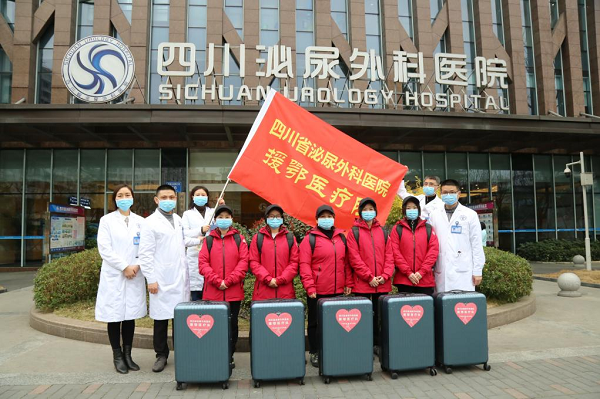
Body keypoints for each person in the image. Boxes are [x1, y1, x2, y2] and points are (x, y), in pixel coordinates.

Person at [138, 184, 192, 373]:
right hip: (160, 278)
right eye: (165, 197)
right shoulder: (149, 222)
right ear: (156, 200)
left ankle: (183, 353)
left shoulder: (177, 219)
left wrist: (201, 236)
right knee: (161, 320)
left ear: (176, 199)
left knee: (179, 318)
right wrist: (150, 279)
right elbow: (144, 254)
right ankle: (161, 355)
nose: (169, 200)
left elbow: (182, 241)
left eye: (172, 197)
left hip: (179, 276)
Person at [95, 184, 147, 374]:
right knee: (114, 316)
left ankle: (128, 355)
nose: (124, 197)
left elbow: (146, 247)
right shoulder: (106, 220)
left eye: (127, 194)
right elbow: (104, 249)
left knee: (130, 316)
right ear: (114, 199)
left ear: (133, 198)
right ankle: (117, 357)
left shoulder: (141, 221)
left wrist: (136, 264)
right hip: (115, 274)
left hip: (135, 272)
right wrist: (124, 266)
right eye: (120, 195)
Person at [299, 205, 353, 368]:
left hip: (336, 289)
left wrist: (348, 283)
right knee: (315, 323)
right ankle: (315, 351)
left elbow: (346, 263)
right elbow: (304, 264)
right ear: (316, 220)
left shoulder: (341, 237)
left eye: (329, 216)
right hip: (317, 290)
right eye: (323, 216)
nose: (326, 219)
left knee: (334, 322)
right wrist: (310, 286)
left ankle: (332, 349)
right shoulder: (310, 239)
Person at [198, 205, 248, 369]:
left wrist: (229, 280)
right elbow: (203, 263)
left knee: (232, 324)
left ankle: (230, 355)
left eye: (227, 216)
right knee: (215, 325)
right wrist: (217, 281)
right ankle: (216, 353)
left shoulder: (239, 239)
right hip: (213, 291)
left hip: (233, 291)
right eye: (221, 217)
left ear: (232, 219)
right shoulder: (209, 240)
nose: (224, 219)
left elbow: (244, 262)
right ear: (215, 220)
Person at [346, 197, 394, 353]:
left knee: (381, 315)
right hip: (363, 283)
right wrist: (369, 277)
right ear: (360, 212)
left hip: (382, 283)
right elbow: (354, 257)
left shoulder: (383, 231)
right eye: (365, 209)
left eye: (371, 209)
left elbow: (389, 255)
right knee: (365, 317)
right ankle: (366, 344)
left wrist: (385, 276)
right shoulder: (354, 232)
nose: (368, 212)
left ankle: (379, 344)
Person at [428, 179, 485, 292]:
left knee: (461, 305)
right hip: (441, 269)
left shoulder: (470, 215)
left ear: (458, 194)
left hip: (463, 271)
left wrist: (478, 271)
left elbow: (477, 245)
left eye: (452, 192)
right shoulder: (434, 215)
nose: (448, 195)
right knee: (442, 304)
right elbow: (430, 241)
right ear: (440, 193)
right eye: (445, 192)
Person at [390, 196, 439, 296]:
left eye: (414, 207)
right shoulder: (397, 229)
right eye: (408, 208)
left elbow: (433, 251)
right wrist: (408, 273)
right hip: (404, 280)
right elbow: (395, 252)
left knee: (425, 310)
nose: (411, 210)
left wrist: (421, 272)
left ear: (419, 209)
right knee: (404, 310)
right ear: (404, 210)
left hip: (425, 279)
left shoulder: (428, 228)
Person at [249, 204, 299, 300]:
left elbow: (294, 262)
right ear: (266, 218)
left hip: (285, 292)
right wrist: (268, 279)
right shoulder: (258, 238)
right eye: (271, 216)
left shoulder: (290, 238)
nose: (275, 218)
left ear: (282, 218)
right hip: (263, 292)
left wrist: (281, 279)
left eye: (277, 216)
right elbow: (253, 262)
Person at [181, 186, 216, 301]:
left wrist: (221, 206)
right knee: (196, 292)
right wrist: (200, 230)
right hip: (194, 255)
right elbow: (184, 233)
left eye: (203, 195)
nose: (200, 197)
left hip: (212, 253)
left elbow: (221, 226)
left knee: (211, 289)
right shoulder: (187, 214)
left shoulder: (213, 212)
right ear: (192, 197)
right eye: (198, 195)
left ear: (207, 197)